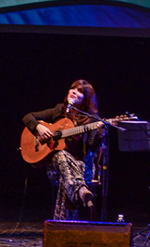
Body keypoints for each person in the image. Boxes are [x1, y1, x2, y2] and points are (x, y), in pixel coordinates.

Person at [22, 79, 105, 220]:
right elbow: (28, 117)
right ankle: (81, 190)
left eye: (80, 92)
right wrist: (38, 127)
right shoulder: (59, 110)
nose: (74, 92)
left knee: (65, 175)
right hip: (55, 166)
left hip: (80, 167)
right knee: (60, 154)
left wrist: (99, 135)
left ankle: (62, 224)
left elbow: (92, 148)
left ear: (86, 100)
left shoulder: (92, 120)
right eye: (73, 88)